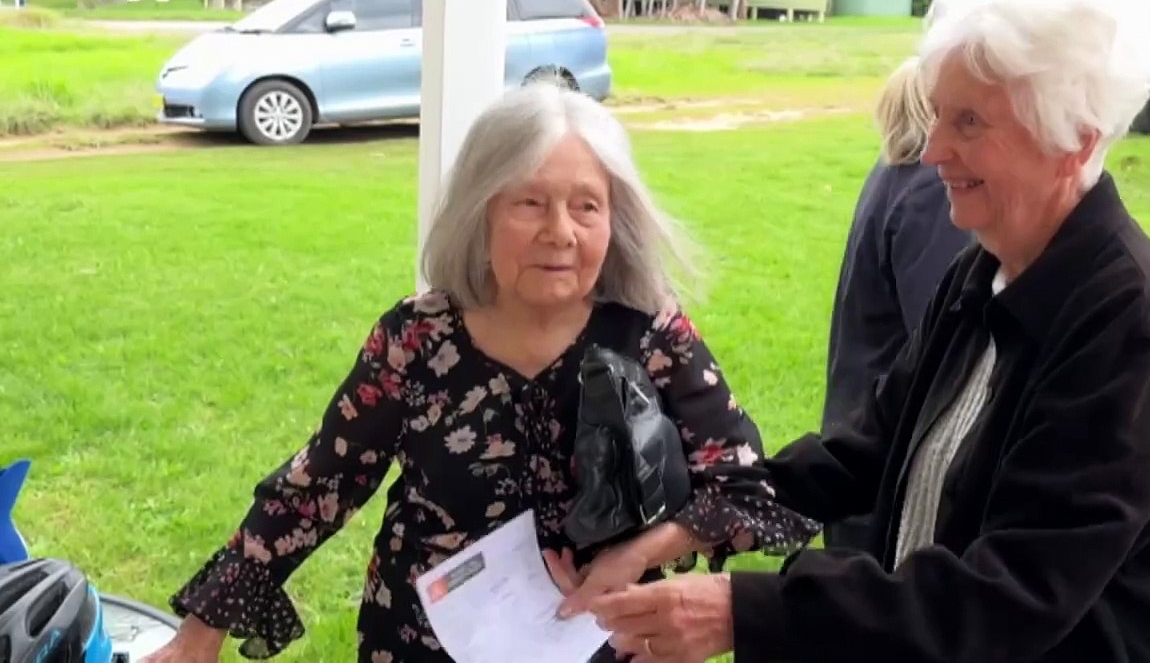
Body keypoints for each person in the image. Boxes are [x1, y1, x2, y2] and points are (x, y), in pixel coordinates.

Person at [573, 0, 1150, 662]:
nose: (931, 152)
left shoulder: (1131, 326)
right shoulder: (983, 273)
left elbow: (1011, 596)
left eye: (968, 124)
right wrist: (697, 522)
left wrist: (743, 613)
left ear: (1072, 141)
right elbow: (868, 448)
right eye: (938, 117)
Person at [141, 83, 819, 663]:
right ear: (482, 209)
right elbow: (321, 484)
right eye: (530, 203)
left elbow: (745, 487)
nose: (561, 231)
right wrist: (204, 627)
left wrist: (639, 554)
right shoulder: (418, 337)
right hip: (421, 642)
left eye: (587, 205)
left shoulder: (651, 334)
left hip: (603, 644)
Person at [821, 56, 972, 551]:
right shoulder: (932, 194)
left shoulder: (893, 175)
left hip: (859, 431)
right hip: (883, 455)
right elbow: (943, 342)